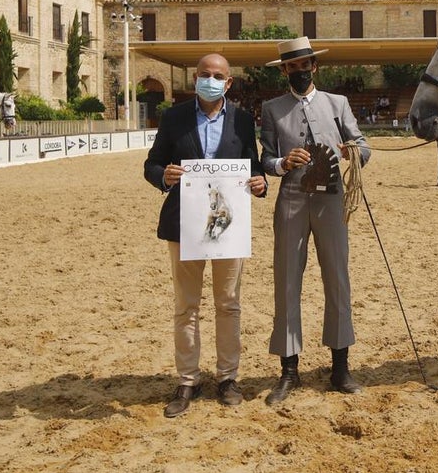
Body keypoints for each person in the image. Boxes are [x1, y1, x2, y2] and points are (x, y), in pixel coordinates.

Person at [143, 53, 267, 418]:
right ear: (195, 78)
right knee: (187, 305)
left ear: (228, 83)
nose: (210, 80)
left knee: (228, 302)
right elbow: (151, 163)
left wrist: (259, 184)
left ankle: (227, 377)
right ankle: (188, 378)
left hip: (230, 225)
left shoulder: (243, 121)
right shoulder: (174, 117)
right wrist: (161, 176)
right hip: (184, 222)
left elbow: (253, 165)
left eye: (218, 76)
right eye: (204, 74)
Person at [260, 37, 371, 403]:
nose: (299, 71)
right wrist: (280, 164)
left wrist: (352, 151)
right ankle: (288, 372)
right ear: (285, 71)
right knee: (287, 280)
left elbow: (363, 143)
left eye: (304, 64)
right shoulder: (272, 109)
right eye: (292, 66)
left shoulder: (337, 104)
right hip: (291, 199)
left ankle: (340, 368)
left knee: (337, 278)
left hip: (332, 200)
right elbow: (265, 159)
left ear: (314, 66)